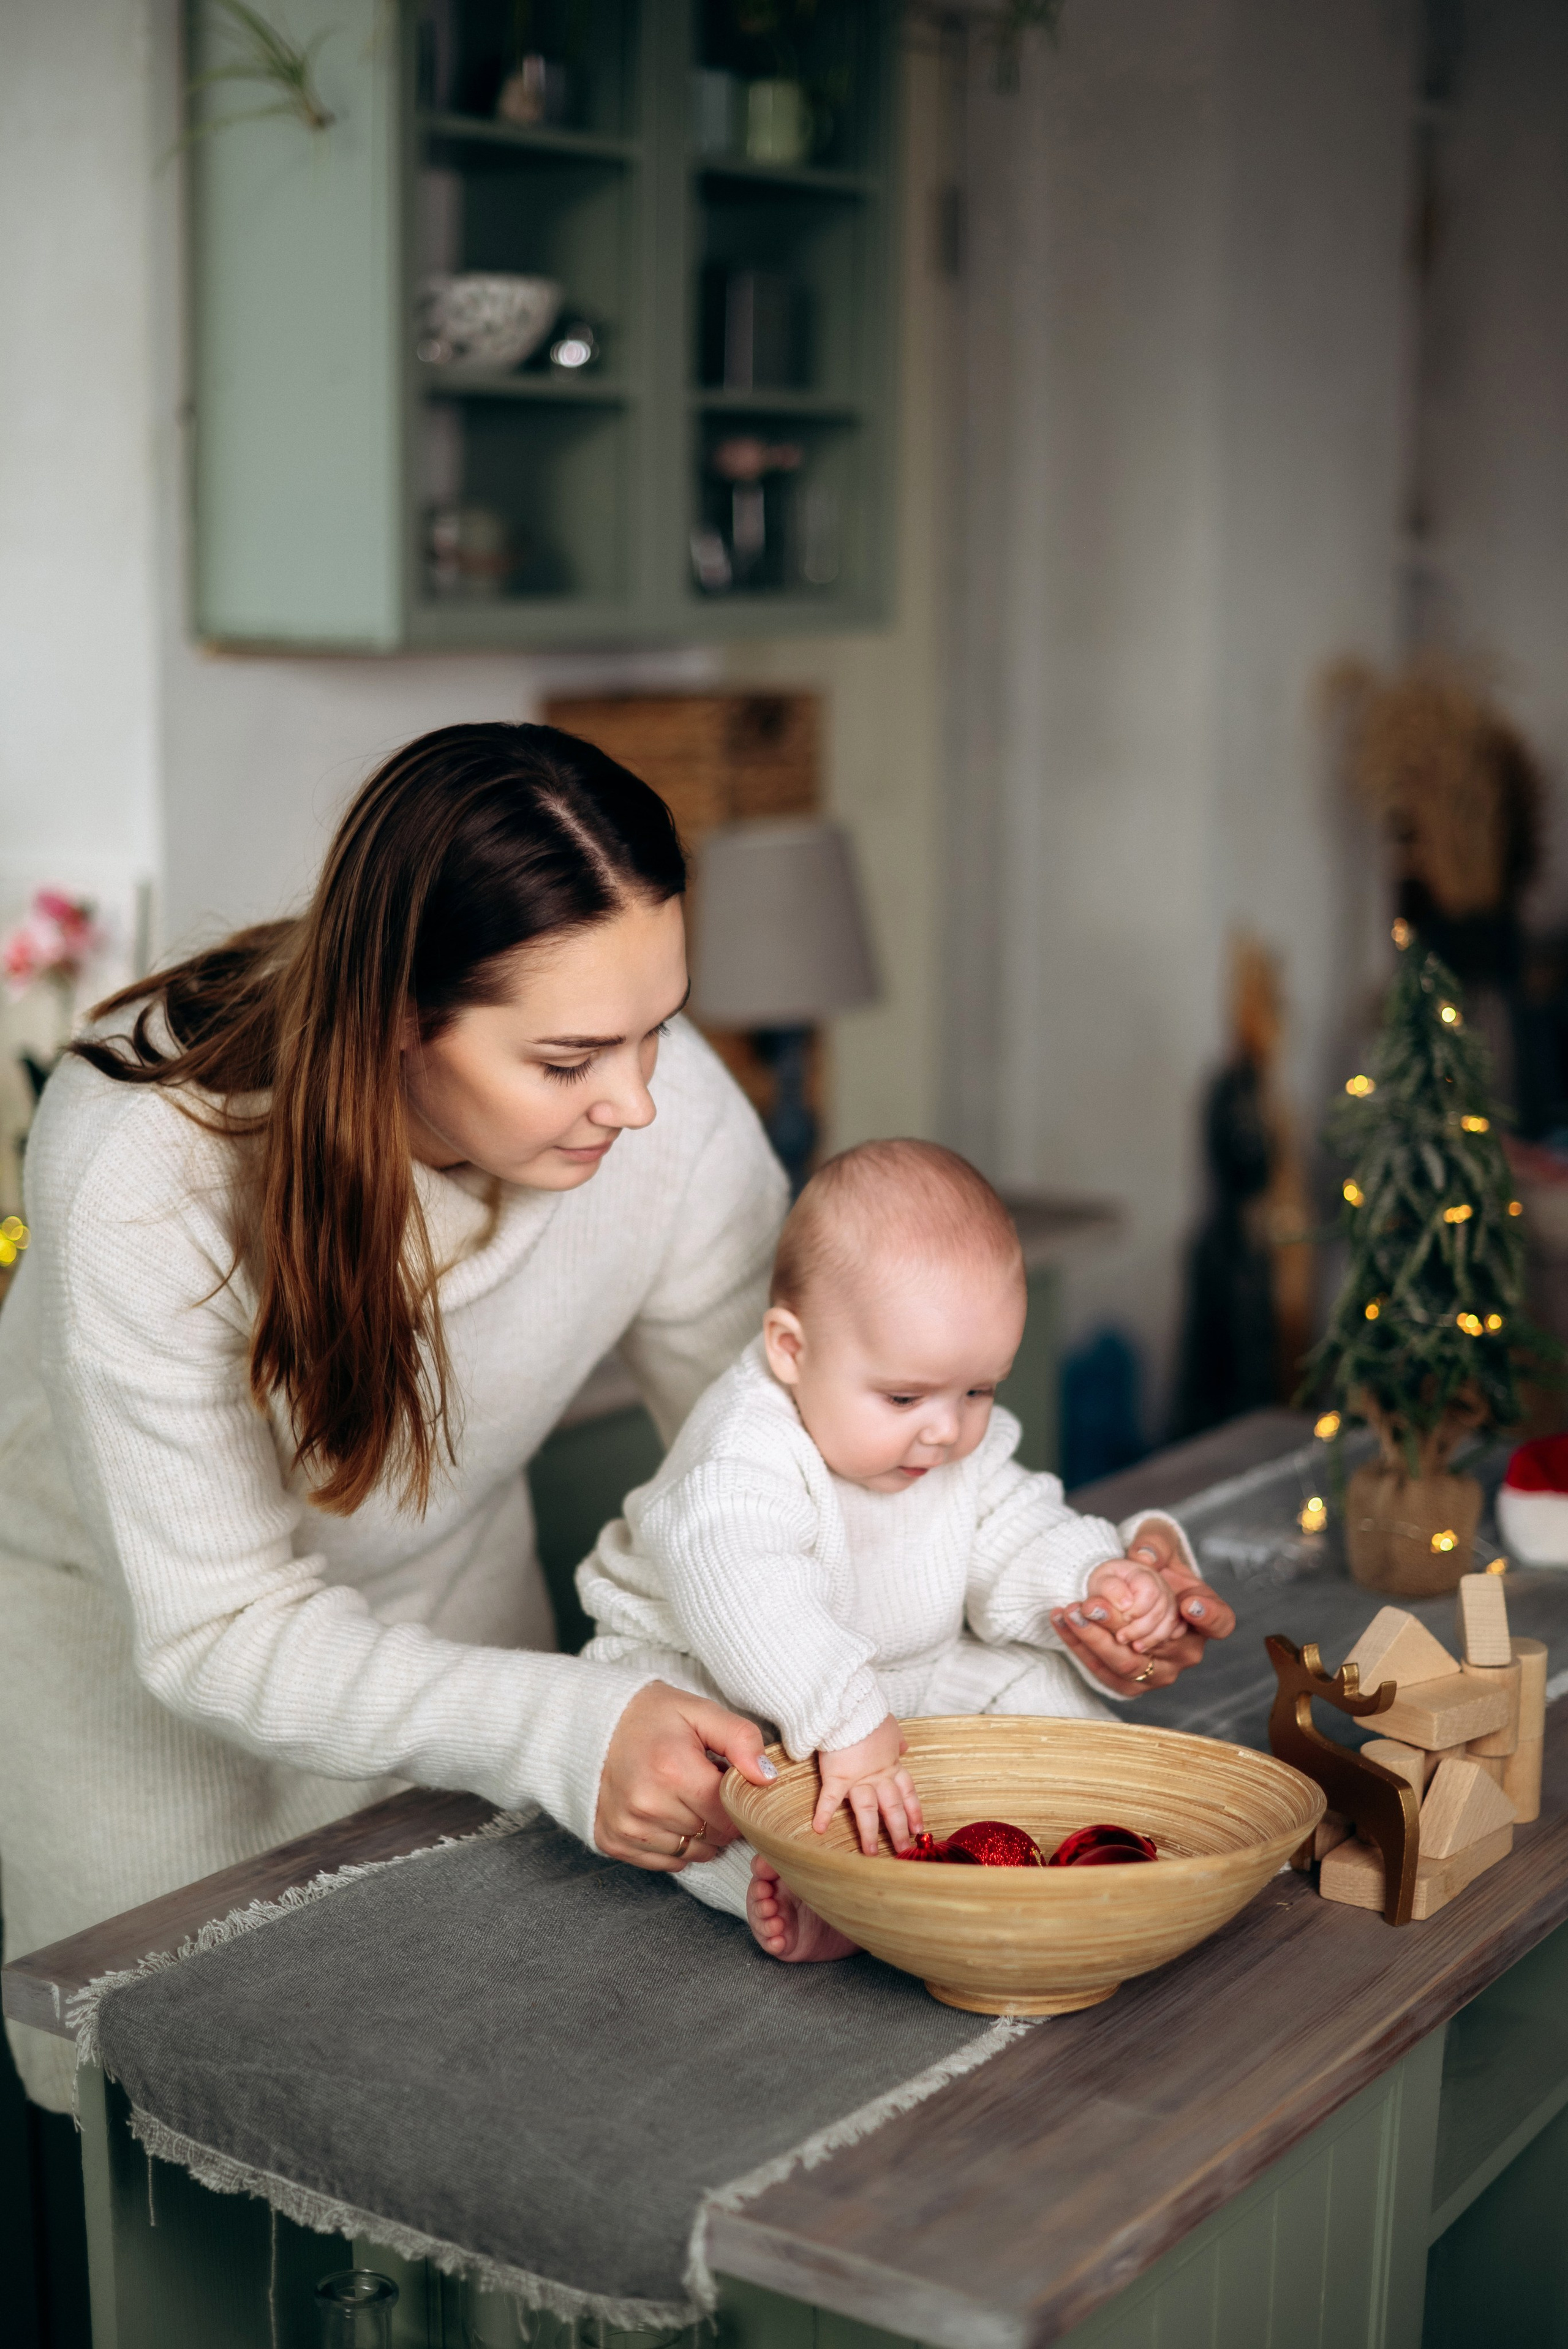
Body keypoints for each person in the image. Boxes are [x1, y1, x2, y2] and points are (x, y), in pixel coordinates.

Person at [0, 722, 794, 2113]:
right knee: (197, 2160)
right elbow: (217, 1631)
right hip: (144, 1693)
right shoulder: (142, 1163)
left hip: (455, 1635)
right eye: (567, 1059)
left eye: (657, 1025)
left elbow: (782, 1451)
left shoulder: (656, 1115)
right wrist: (569, 1728)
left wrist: (1022, 1578)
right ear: (394, 1023)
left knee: (489, 2093)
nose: (639, 1099)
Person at [577, 1141, 1235, 1962]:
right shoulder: (740, 1453)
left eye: (980, 1389)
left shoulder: (945, 1436)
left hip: (901, 1675)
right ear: (792, 1349)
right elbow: (747, 1593)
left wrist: (1090, 1578)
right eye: (904, 1396)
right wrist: (844, 1718)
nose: (947, 1429)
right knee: (720, 1781)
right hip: (720, 1680)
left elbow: (1009, 1521)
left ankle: (1102, 1806)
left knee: (1034, 1681)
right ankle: (799, 1886)